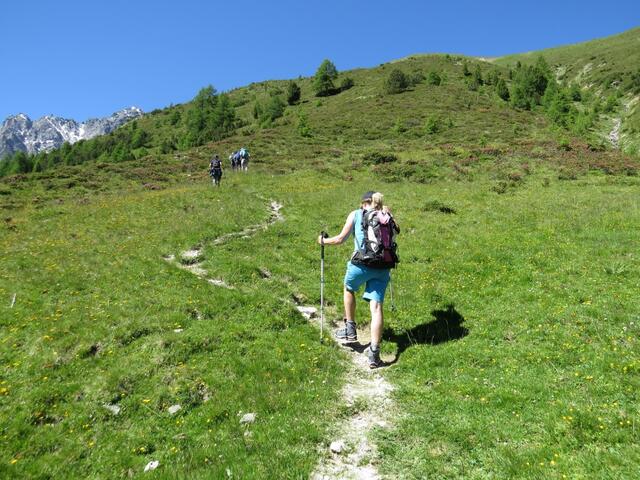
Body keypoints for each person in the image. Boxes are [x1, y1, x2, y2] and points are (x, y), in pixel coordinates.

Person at [318, 191, 398, 368]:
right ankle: (374, 354)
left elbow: (340, 239)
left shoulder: (356, 214)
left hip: (360, 264)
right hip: (383, 266)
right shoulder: (386, 214)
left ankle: (350, 329)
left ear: (363, 203)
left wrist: (323, 241)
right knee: (376, 307)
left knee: (349, 288)